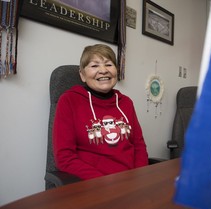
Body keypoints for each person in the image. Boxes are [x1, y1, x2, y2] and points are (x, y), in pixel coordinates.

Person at [53, 44, 148, 180]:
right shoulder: (69, 101)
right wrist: (103, 183)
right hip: (92, 186)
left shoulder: (126, 102)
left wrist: (138, 177)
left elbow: (139, 146)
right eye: (94, 65)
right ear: (82, 75)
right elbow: (64, 157)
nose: (103, 70)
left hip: (130, 183)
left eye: (109, 64)